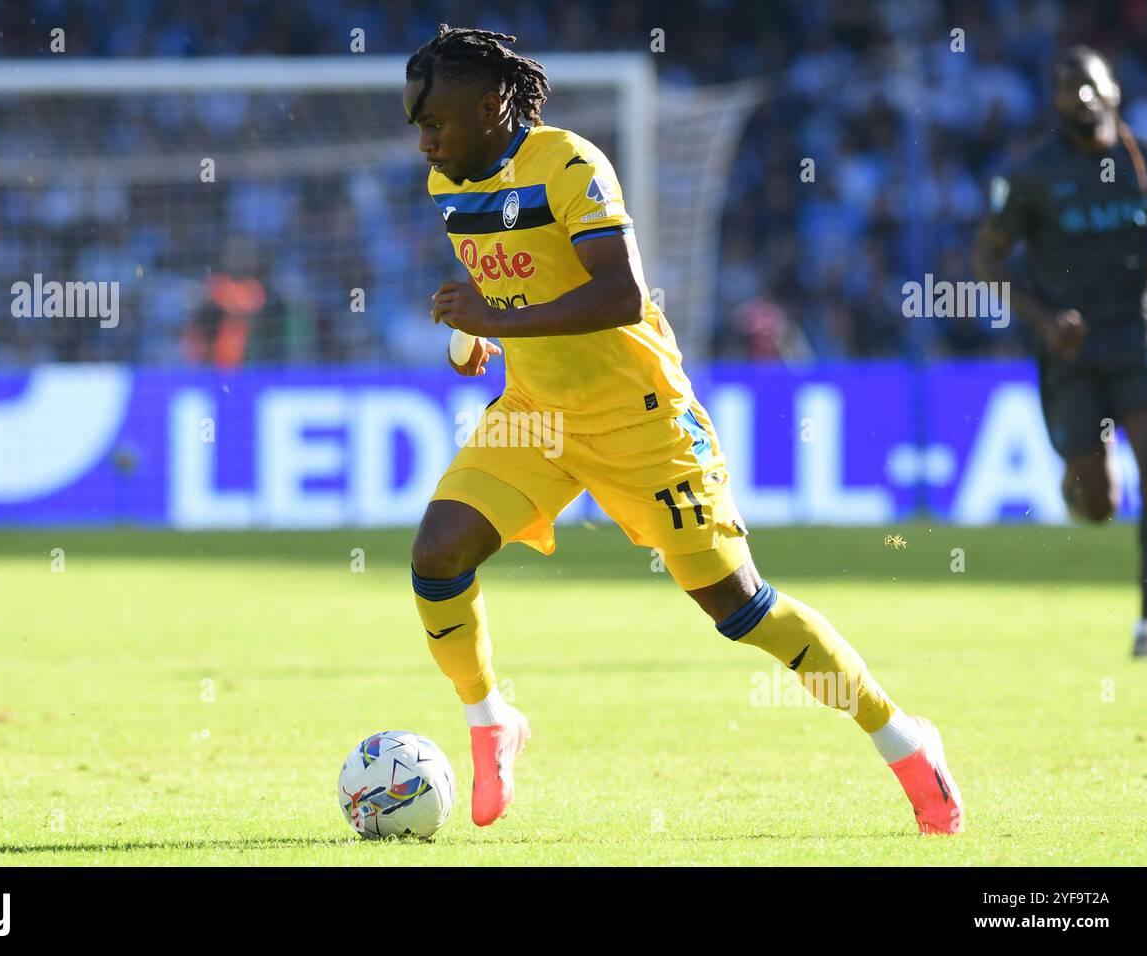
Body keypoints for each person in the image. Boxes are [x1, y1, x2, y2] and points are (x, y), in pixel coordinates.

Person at [405, 24, 964, 832]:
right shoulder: (446, 183)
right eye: (417, 126)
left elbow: (621, 295)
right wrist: (478, 335)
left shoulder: (570, 164)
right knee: (437, 554)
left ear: (493, 105)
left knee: (741, 608)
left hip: (644, 424)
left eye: (436, 123)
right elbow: (509, 277)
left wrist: (497, 316)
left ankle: (905, 739)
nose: (424, 143)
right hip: (536, 418)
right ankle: (492, 720)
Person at [974, 45, 1147, 658]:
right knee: (1097, 504)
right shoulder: (1031, 178)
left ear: (1114, 93)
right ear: (1053, 103)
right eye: (1064, 89)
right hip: (1072, 350)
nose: (1077, 97)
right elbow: (987, 259)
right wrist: (1045, 319)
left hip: (1142, 339)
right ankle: (1079, 477)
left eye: (1088, 86)